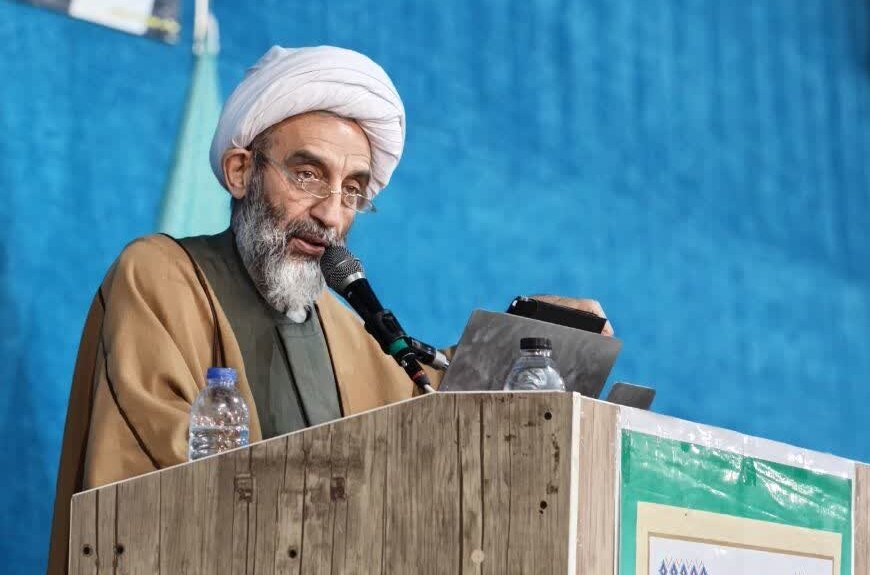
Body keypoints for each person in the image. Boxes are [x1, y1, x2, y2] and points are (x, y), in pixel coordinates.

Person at [46, 45, 612, 572]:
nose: (331, 214)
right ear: (241, 172)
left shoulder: (349, 331)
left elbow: (436, 420)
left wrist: (532, 345)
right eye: (308, 175)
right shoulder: (162, 276)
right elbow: (159, 484)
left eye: (352, 190)